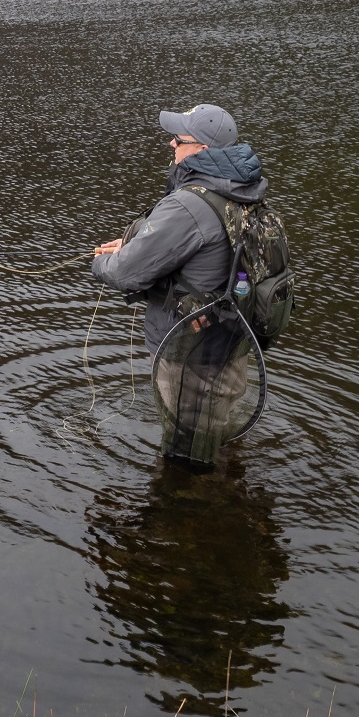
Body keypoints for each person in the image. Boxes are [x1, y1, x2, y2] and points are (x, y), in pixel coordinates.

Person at [94, 104, 270, 464]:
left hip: (191, 356)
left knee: (187, 461)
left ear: (201, 150)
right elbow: (205, 244)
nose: (171, 144)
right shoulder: (242, 189)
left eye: (179, 139)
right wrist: (134, 242)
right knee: (215, 443)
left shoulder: (188, 205)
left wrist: (101, 262)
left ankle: (193, 507)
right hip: (229, 347)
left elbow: (123, 274)